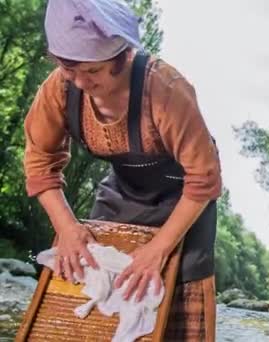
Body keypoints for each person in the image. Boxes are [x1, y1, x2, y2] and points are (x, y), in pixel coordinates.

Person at [23, 0, 220, 340]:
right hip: (122, 192)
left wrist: (158, 249)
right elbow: (40, 162)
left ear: (122, 58)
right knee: (88, 283)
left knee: (178, 304)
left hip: (185, 201)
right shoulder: (58, 89)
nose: (81, 83)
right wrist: (67, 227)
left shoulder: (165, 89)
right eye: (70, 70)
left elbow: (203, 179)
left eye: (93, 71)